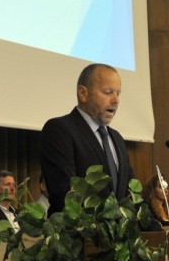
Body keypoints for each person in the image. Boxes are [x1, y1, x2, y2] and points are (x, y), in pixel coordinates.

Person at [40, 63, 134, 214]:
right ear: (83, 93)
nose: (116, 100)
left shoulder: (117, 138)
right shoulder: (59, 129)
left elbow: (130, 193)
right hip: (78, 228)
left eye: (118, 93)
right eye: (108, 92)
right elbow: (64, 194)